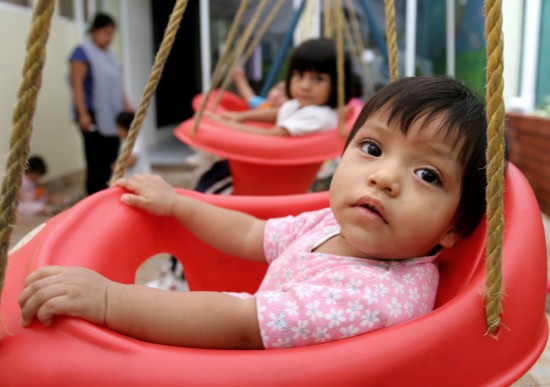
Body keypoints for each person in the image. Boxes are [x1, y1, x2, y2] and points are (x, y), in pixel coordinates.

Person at [19, 76, 495, 350]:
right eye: (372, 148)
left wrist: (108, 300)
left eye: (427, 175)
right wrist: (180, 203)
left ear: (455, 226)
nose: (385, 177)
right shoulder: (336, 223)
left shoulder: (375, 297)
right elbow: (252, 233)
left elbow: (241, 324)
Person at [205, 38, 353, 136]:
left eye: (319, 79)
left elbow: (271, 135)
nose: (305, 86)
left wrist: (222, 124)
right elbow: (279, 112)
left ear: (338, 85)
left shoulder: (318, 116)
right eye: (299, 75)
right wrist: (241, 116)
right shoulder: (300, 105)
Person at [69, 12, 133, 195]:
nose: (109, 38)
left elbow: (118, 83)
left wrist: (126, 103)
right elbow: (77, 85)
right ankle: (95, 197)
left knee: (113, 156)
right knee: (96, 160)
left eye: (112, 33)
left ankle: (110, 194)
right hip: (92, 113)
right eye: (105, 32)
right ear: (94, 31)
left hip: (113, 113)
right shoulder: (82, 52)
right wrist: (82, 114)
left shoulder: (111, 55)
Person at [115, 111, 152, 177]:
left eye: (119, 129)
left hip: (140, 177)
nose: (117, 131)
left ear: (126, 129)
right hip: (131, 177)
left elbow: (132, 159)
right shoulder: (125, 139)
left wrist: (117, 166)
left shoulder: (136, 140)